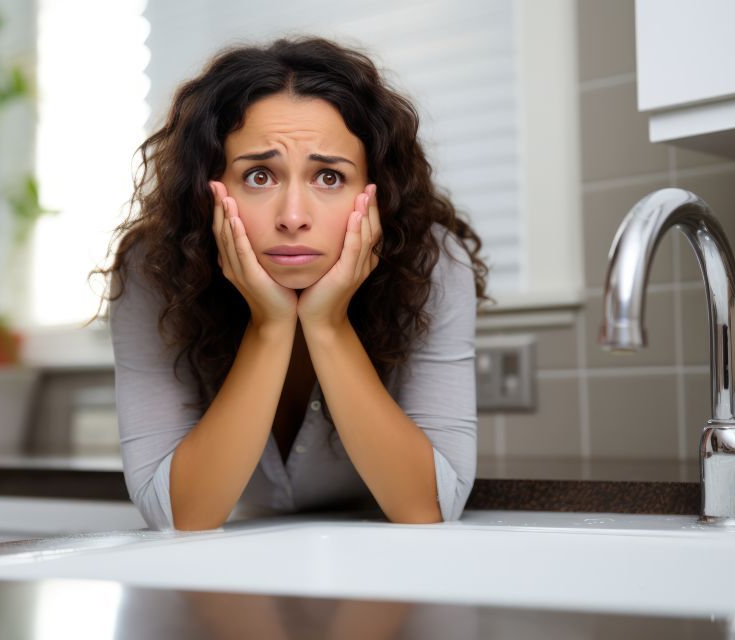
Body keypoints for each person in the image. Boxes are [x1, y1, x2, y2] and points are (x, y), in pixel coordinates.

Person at [98, 36, 489, 531]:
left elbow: (428, 508)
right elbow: (180, 517)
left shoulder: (433, 262)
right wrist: (271, 324)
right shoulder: (152, 270)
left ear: (376, 193)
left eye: (329, 177)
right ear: (207, 191)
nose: (293, 217)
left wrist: (327, 324)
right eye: (260, 176)